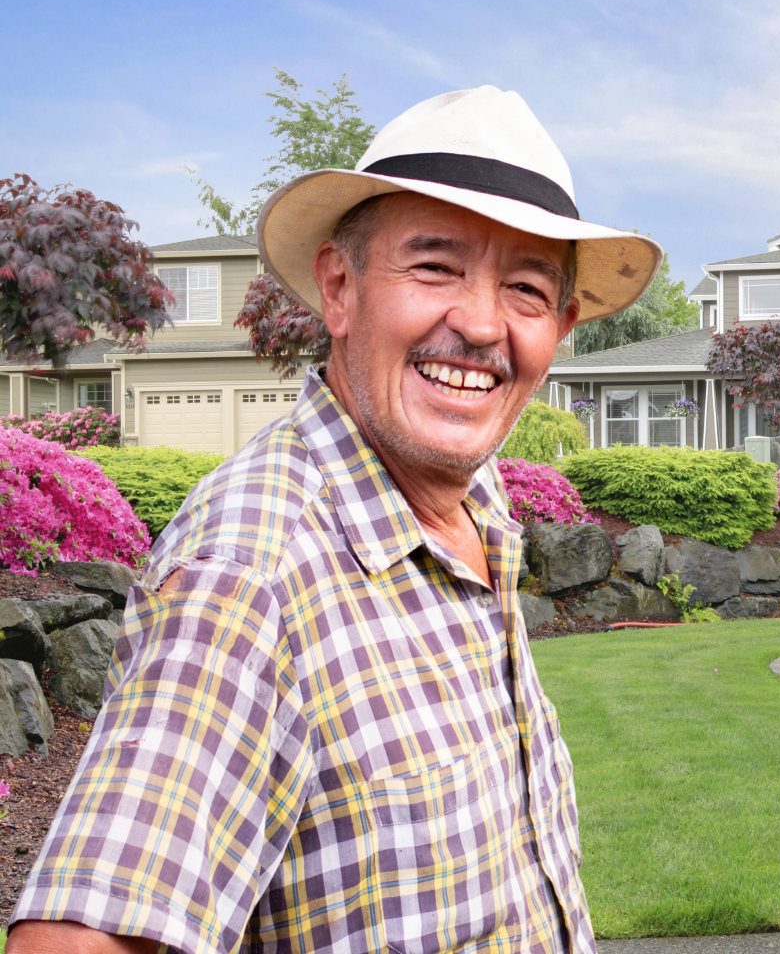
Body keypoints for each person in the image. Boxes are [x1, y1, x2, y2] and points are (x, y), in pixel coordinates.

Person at [7, 86, 662, 954]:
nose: (479, 323)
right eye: (434, 267)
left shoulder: (472, 507)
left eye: (527, 289)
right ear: (339, 287)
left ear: (561, 326)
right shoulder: (250, 574)